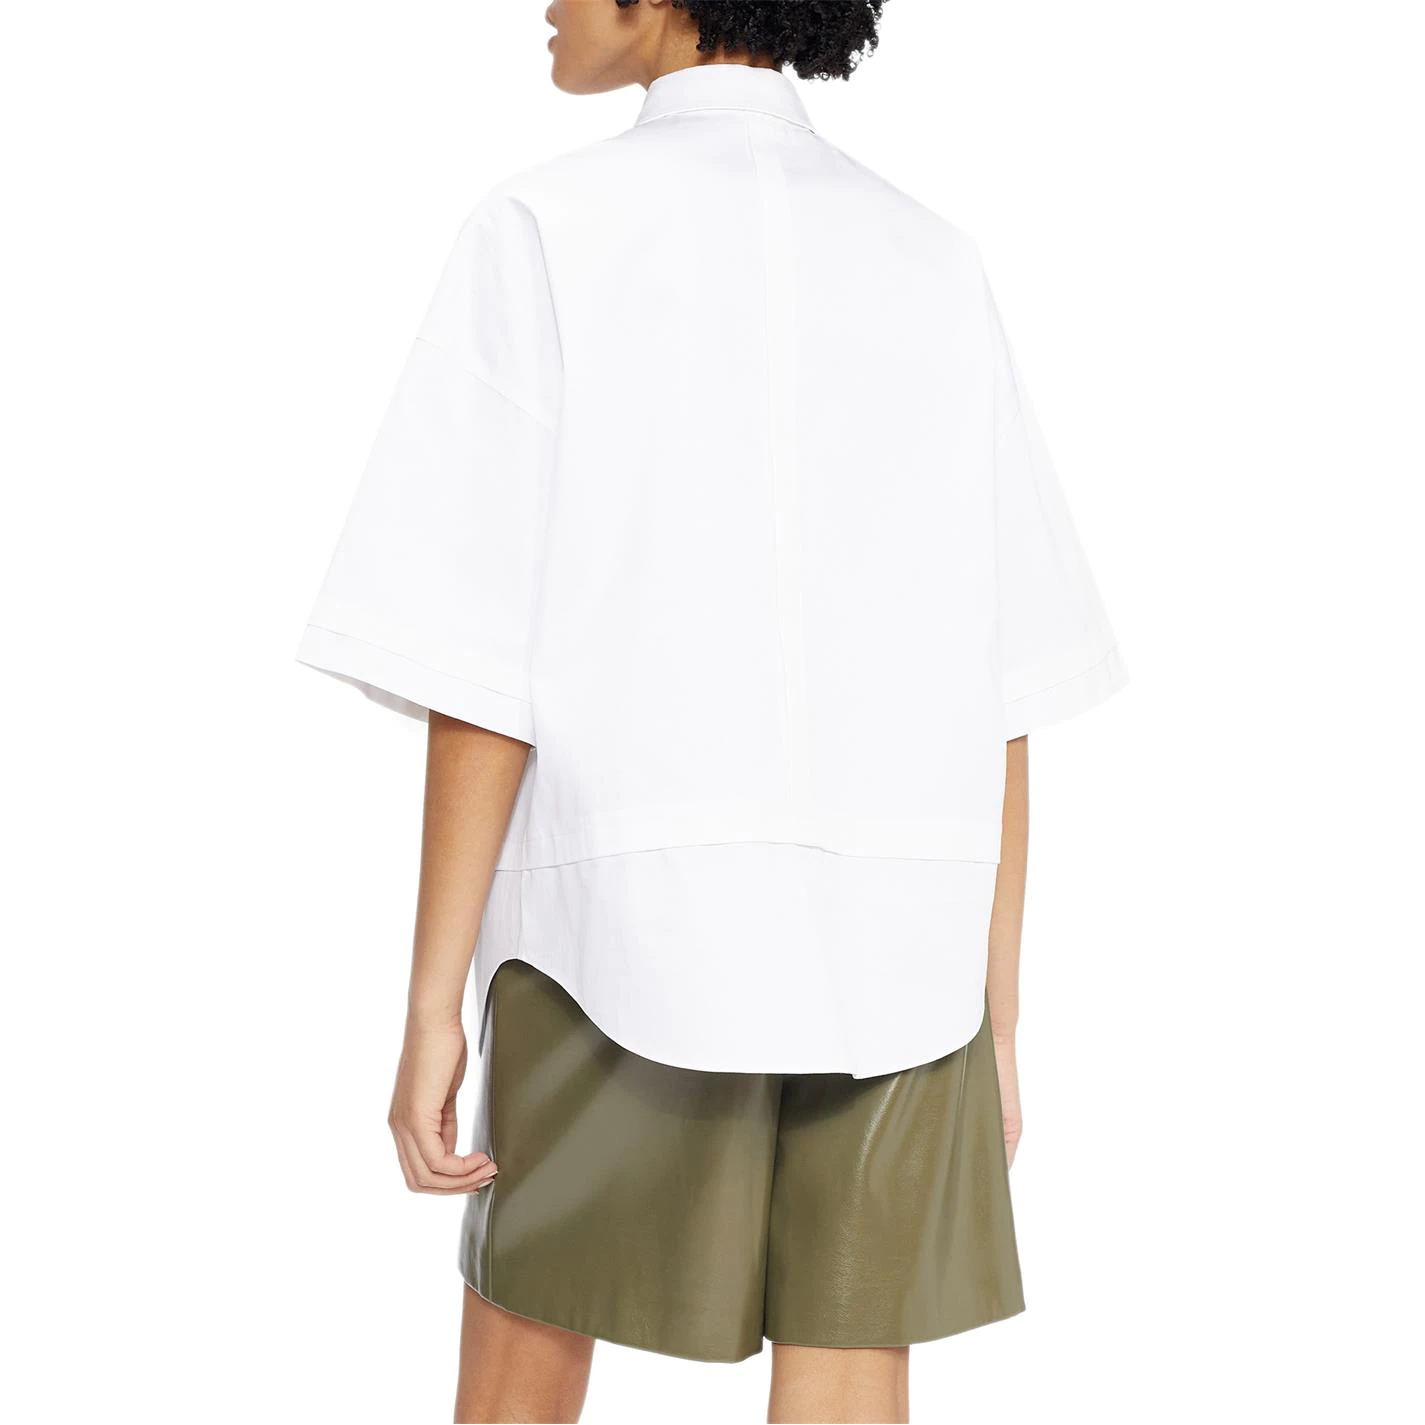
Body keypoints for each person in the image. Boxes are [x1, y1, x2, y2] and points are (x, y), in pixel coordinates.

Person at [297, 1, 1125, 1420]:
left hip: (614, 934)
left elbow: (477, 663)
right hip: (899, 957)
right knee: (850, 1372)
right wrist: (998, 1010)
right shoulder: (931, 256)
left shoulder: (546, 229)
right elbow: (1001, 683)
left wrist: (434, 1003)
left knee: (522, 1373)